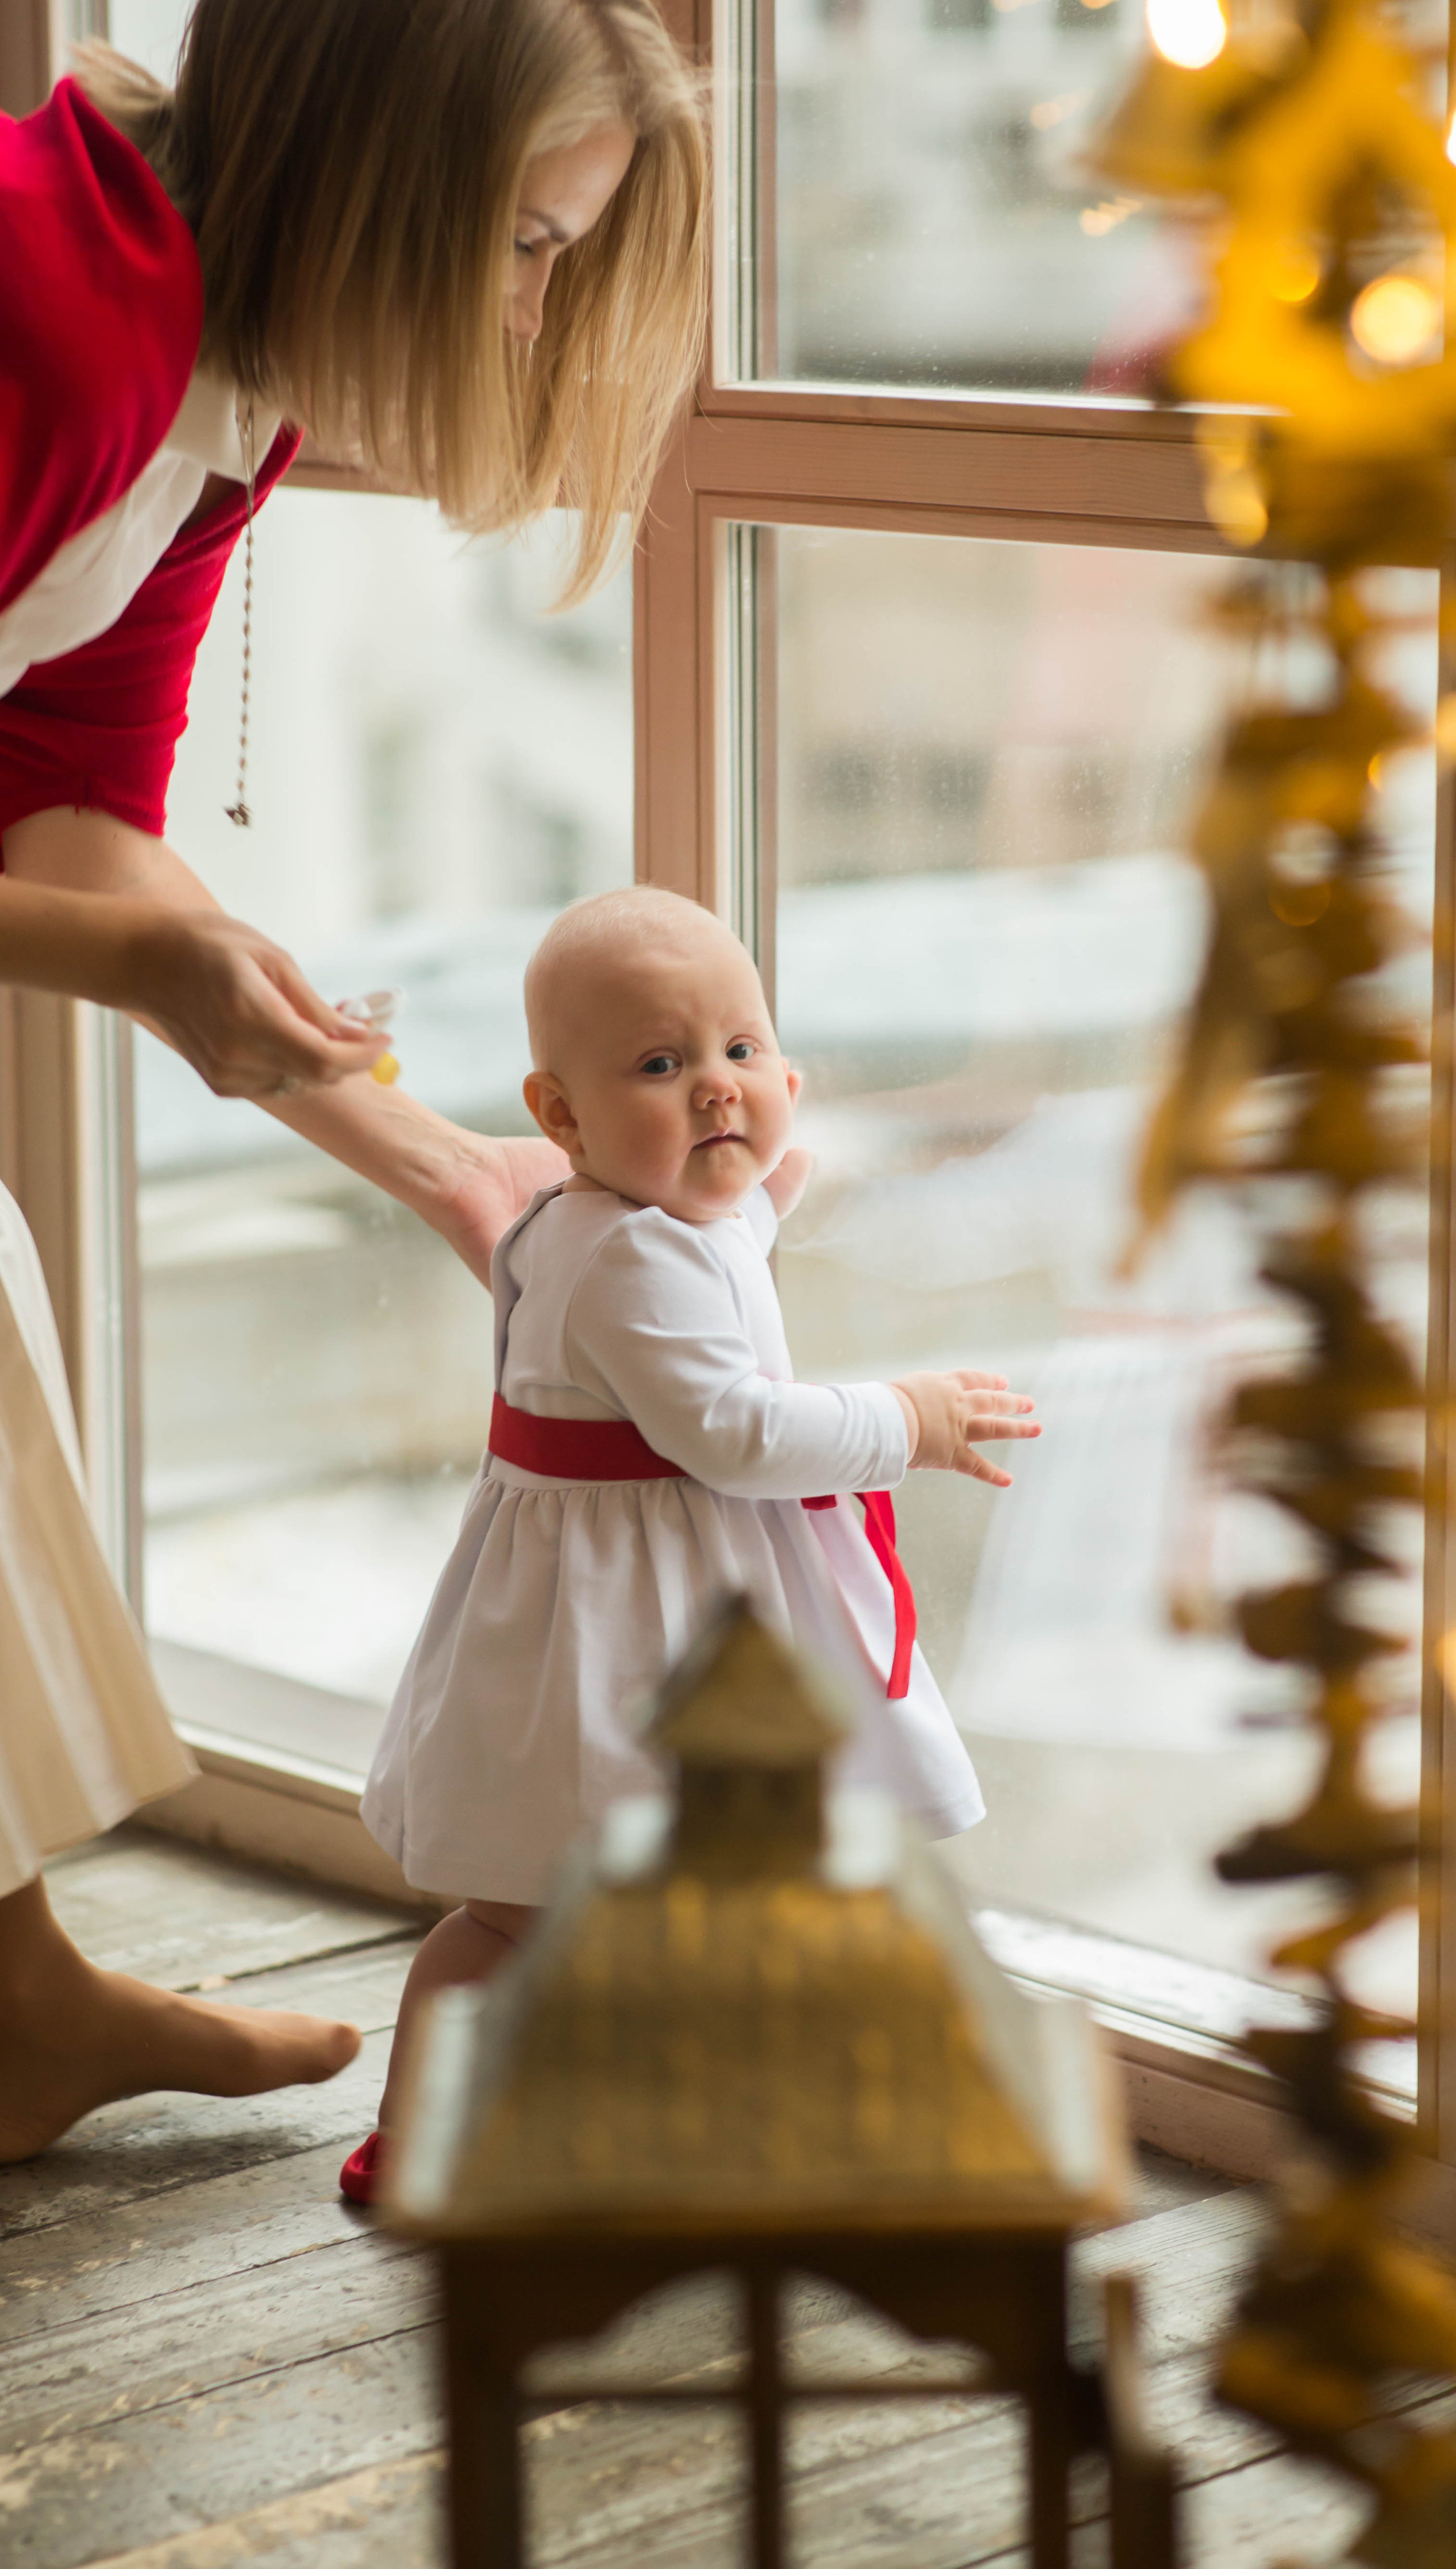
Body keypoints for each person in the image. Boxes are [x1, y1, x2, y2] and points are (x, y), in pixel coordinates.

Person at [0, 0, 706, 2302]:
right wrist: (140, 973)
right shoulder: (2, 309)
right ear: (374, 169)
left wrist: (438, 1162)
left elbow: (74, 817)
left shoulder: (212, 396)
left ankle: (5, 2003)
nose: (535, 308)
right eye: (520, 243)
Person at [342, 887, 1039, 2204]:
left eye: (739, 1051)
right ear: (560, 1116)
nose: (717, 1090)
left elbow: (695, 1259)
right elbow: (731, 1431)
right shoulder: (628, 1262)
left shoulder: (619, 1223)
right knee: (540, 1914)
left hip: (628, 1601)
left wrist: (764, 1203)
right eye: (662, 1066)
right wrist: (909, 1419)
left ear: (787, 1070)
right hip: (628, 1634)